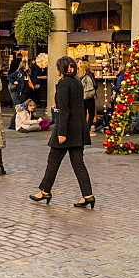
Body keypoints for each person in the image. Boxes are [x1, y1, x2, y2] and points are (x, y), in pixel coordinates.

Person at [30, 56, 95, 208]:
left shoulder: (63, 83)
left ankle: (45, 191)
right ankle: (88, 195)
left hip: (67, 129)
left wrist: (62, 132)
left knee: (53, 161)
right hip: (79, 128)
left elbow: (65, 110)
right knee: (78, 163)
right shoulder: (77, 81)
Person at [6, 58, 30, 131]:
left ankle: (19, 123)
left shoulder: (26, 73)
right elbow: (9, 77)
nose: (28, 66)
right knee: (19, 108)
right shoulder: (19, 72)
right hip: (19, 92)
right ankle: (14, 124)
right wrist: (14, 82)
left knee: (21, 108)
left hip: (24, 92)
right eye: (27, 65)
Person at [79, 60, 97, 129]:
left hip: (81, 96)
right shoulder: (90, 74)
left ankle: (83, 127)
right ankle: (88, 127)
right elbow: (95, 84)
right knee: (91, 113)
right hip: (89, 96)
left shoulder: (78, 75)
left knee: (83, 113)